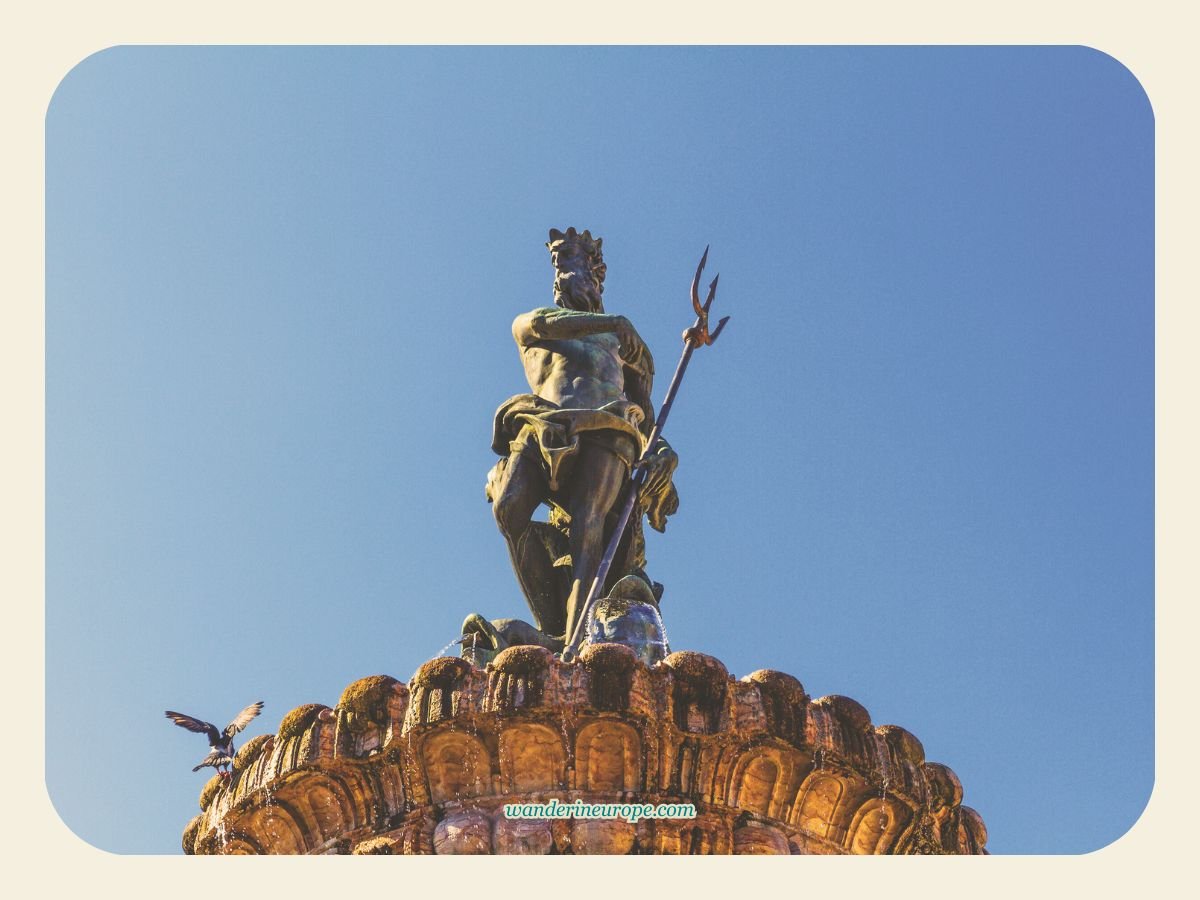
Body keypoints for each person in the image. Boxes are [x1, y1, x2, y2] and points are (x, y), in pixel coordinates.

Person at [486, 227, 678, 646]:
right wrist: (614, 321)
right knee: (509, 508)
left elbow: (645, 415)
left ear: (595, 278)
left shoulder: (624, 345)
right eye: (560, 265)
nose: (567, 275)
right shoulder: (536, 324)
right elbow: (540, 323)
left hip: (608, 428)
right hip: (545, 424)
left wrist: (662, 451)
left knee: (588, 525)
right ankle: (553, 622)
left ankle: (572, 640)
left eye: (576, 266)